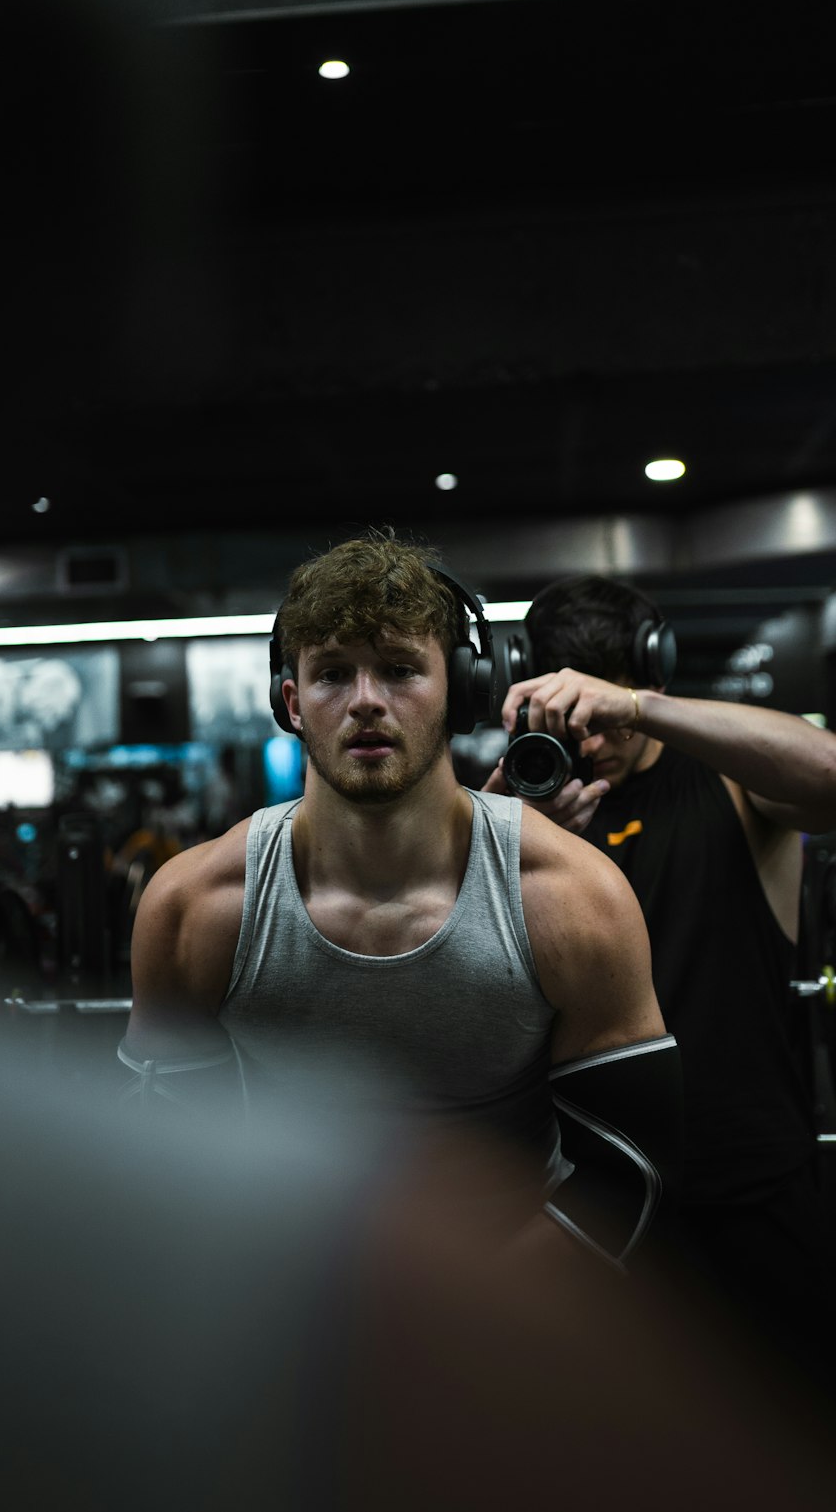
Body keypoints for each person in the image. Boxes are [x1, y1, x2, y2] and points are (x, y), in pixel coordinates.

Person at [124, 534, 683, 1274]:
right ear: (291, 701)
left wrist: (465, 1330)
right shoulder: (196, 906)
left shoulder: (571, 897)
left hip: (514, 1315)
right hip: (285, 1316)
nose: (364, 701)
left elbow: (628, 1169)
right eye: (331, 673)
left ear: (462, 687)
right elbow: (164, 1167)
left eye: (398, 669)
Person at [484, 574, 836, 1380]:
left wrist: (635, 707)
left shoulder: (732, 781)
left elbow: (829, 770)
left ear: (652, 674)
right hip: (587, 1198)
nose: (593, 739)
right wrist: (504, 841)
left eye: (604, 712)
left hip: (747, 1188)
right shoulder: (520, 805)